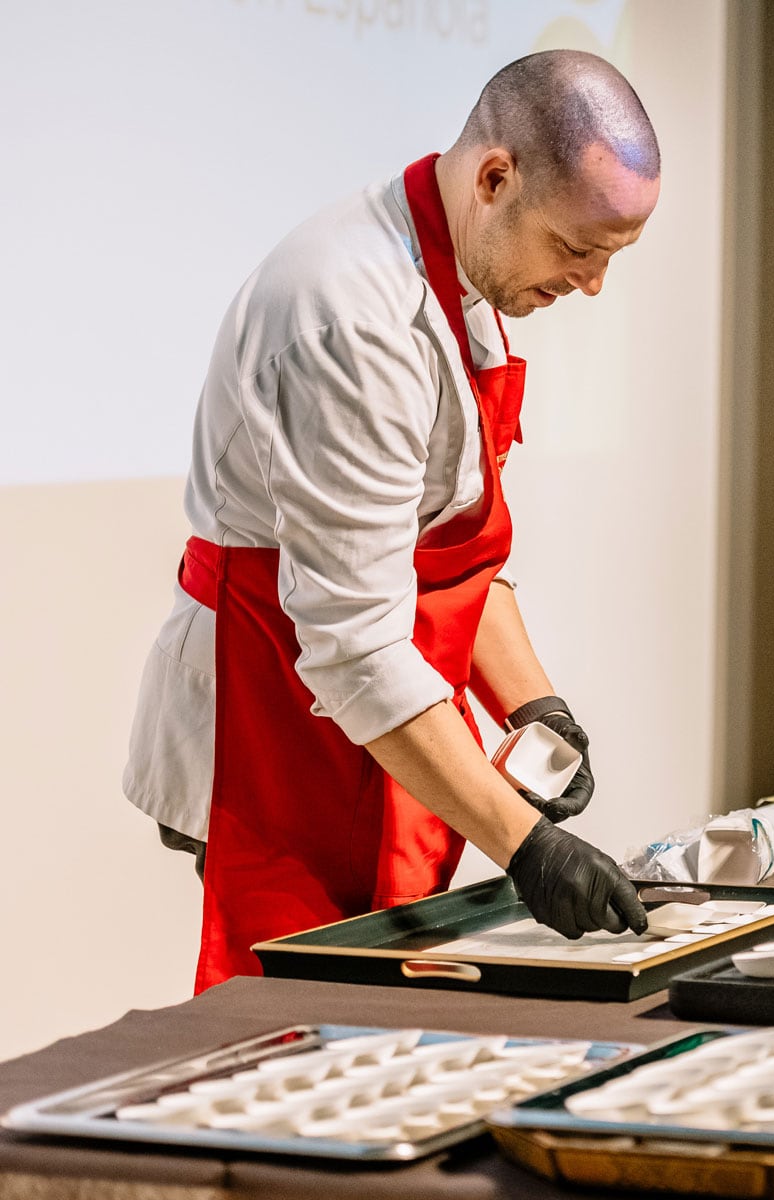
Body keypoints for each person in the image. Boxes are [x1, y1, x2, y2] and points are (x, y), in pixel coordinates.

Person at [124, 51, 659, 991]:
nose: (590, 285)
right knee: (292, 1038)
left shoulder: (478, 271)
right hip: (276, 710)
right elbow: (353, 645)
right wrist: (525, 845)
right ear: (496, 178)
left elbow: (453, 547)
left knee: (388, 1008)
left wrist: (533, 703)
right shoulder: (348, 318)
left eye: (612, 258)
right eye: (579, 251)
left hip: (368, 697)